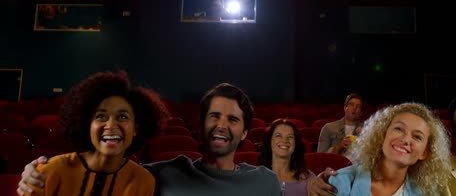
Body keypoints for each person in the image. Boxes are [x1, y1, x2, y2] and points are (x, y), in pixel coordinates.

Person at [18, 83, 281, 196]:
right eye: (214, 116)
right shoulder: (162, 174)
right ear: (200, 125)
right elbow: (103, 168)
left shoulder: (264, 181)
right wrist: (35, 172)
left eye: (232, 120)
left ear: (245, 132)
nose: (221, 125)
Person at [26, 70, 169, 196]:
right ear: (86, 125)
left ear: (136, 129)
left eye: (122, 117)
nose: (111, 125)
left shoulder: (143, 181)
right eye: (101, 116)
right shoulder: (50, 171)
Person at [320, 102, 451, 196]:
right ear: (382, 135)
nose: (405, 139)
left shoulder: (427, 192)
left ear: (424, 152)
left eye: (417, 137)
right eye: (399, 129)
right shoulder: (341, 182)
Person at [258, 119, 316, 196]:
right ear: (269, 141)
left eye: (290, 137)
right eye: (278, 135)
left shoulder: (308, 178)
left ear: (295, 144)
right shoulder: (256, 177)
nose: (285, 140)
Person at [317, 93, 364, 160]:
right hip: (335, 167)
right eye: (351, 104)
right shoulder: (328, 128)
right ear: (345, 108)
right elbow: (319, 157)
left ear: (360, 112)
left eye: (358, 106)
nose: (354, 108)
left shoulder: (366, 129)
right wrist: (338, 147)